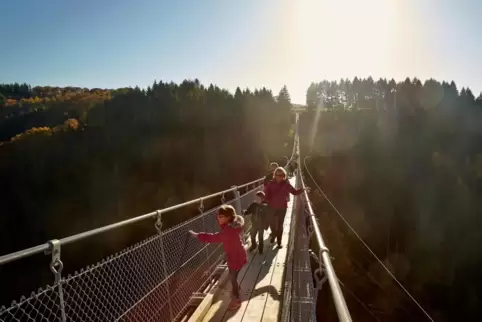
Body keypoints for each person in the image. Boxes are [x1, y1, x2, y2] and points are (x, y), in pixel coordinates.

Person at [189, 205, 246, 310]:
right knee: (233, 275)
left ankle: (237, 299)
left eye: (221, 216)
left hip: (235, 257)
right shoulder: (231, 225)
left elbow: (213, 238)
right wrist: (220, 213)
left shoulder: (228, 231)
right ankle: (236, 288)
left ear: (228, 217)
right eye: (218, 216)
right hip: (239, 254)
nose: (218, 218)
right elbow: (221, 218)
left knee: (232, 277)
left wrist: (198, 235)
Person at [264, 167, 304, 248]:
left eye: (281, 175)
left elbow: (294, 192)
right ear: (274, 175)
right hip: (272, 207)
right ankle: (274, 234)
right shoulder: (270, 184)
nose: (279, 176)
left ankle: (279, 242)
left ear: (284, 175)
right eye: (277, 174)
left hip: (282, 207)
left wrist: (303, 189)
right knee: (272, 224)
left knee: (280, 225)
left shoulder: (286, 184)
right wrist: (269, 202)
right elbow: (266, 196)